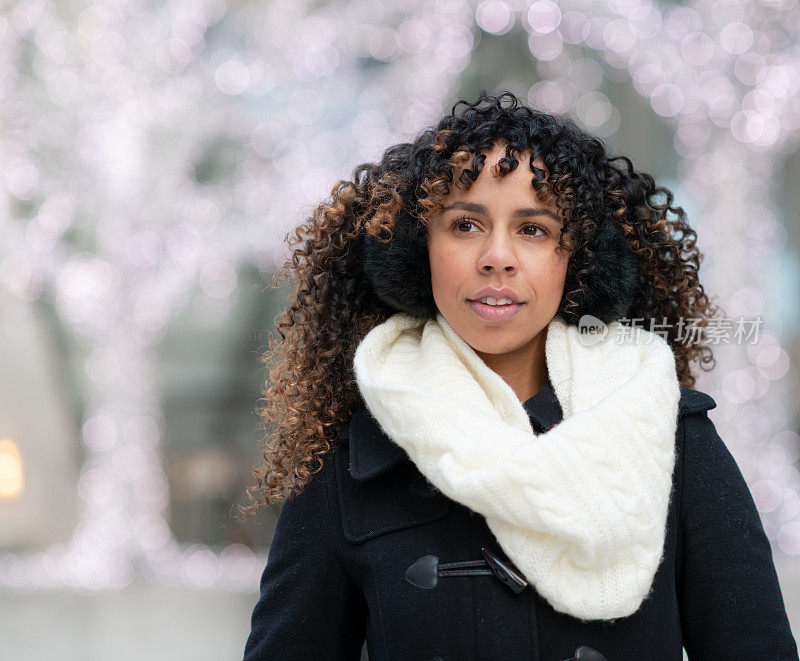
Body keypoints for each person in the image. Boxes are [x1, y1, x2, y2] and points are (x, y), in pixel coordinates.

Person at [238, 90, 799, 660]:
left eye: (533, 229)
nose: (497, 256)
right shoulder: (351, 464)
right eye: (464, 225)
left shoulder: (675, 437)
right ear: (414, 250)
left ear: (576, 258)